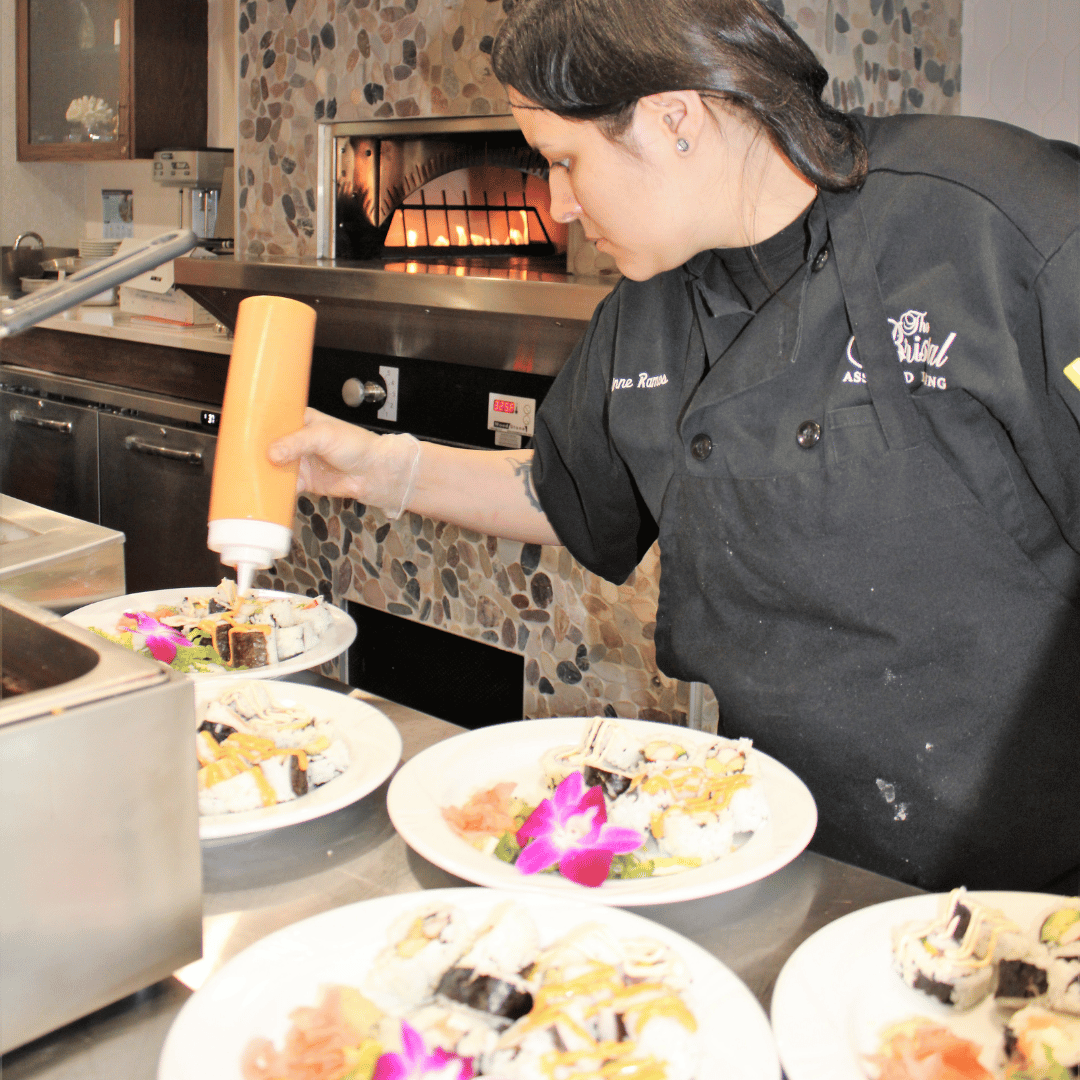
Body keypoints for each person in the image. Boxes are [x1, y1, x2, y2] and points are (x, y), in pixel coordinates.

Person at [269, 0, 1080, 891]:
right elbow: (567, 491)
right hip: (768, 845)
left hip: (1029, 882)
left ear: (673, 117)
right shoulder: (650, 302)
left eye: (565, 160)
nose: (559, 205)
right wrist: (380, 467)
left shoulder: (1004, 222)